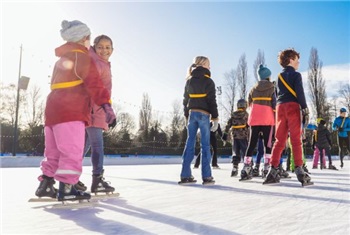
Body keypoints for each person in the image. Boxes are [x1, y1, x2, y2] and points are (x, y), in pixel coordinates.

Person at [34, 20, 116, 201]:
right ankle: (68, 188)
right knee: (72, 150)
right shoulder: (81, 57)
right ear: (84, 38)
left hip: (52, 110)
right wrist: (106, 106)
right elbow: (94, 84)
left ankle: (46, 184)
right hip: (71, 110)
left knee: (53, 151)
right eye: (89, 38)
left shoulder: (62, 59)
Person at [263, 48, 312, 186]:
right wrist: (305, 108)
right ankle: (299, 169)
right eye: (297, 59)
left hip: (280, 108)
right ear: (291, 59)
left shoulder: (278, 77)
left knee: (279, 140)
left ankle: (272, 170)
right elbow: (300, 93)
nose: (298, 62)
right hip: (292, 107)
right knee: (296, 139)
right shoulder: (296, 75)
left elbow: (277, 94)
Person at [76, 35, 116, 194]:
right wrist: (106, 109)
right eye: (100, 47)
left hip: (94, 108)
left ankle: (71, 178)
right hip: (95, 108)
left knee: (83, 147)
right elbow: (94, 87)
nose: (104, 50)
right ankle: (97, 180)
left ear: (113, 49)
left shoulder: (101, 62)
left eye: (108, 47)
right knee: (97, 146)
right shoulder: (96, 62)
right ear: (94, 47)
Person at [179, 56, 219, 185]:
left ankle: (185, 175)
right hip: (204, 115)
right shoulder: (209, 81)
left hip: (192, 114)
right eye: (209, 64)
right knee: (205, 145)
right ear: (204, 64)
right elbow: (212, 101)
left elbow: (185, 101)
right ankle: (207, 176)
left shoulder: (189, 81)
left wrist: (186, 116)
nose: (210, 66)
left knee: (189, 143)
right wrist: (215, 118)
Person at [240, 64, 276, 181]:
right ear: (268, 77)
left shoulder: (253, 89)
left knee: (251, 143)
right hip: (268, 118)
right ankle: (266, 167)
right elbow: (275, 104)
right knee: (268, 144)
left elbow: (249, 103)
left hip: (255, 118)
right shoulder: (272, 88)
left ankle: (246, 167)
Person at [223, 99, 249, 177]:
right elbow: (249, 124)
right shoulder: (246, 114)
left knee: (235, 152)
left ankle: (235, 168)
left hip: (234, 136)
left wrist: (225, 133)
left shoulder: (233, 114)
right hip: (243, 136)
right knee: (245, 152)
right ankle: (247, 167)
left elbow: (228, 124)